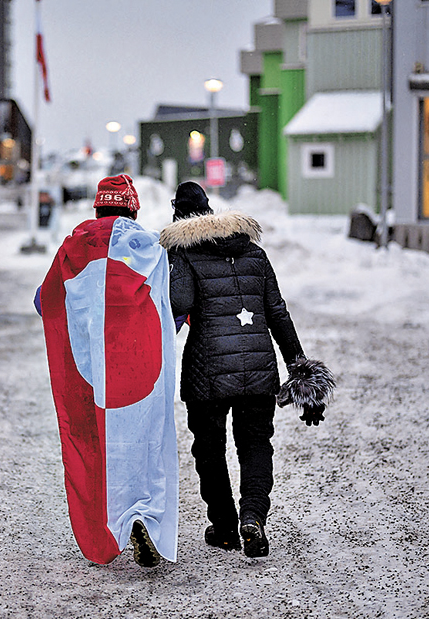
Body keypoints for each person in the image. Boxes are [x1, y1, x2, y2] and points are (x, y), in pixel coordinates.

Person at [159, 181, 334, 558]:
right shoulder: (254, 252)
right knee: (255, 444)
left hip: (207, 371)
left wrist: (174, 259)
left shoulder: (185, 254)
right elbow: (278, 314)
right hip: (258, 368)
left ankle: (224, 527)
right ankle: (252, 517)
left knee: (209, 449)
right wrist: (302, 374)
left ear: (179, 220)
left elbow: (180, 301)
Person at [35, 174, 178, 568]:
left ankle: (110, 526)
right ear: (133, 209)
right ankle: (143, 514)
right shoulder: (149, 248)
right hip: (138, 362)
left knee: (95, 444)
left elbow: (45, 301)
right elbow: (170, 302)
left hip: (92, 367)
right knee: (145, 442)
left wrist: (86, 318)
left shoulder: (73, 247)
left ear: (98, 207)